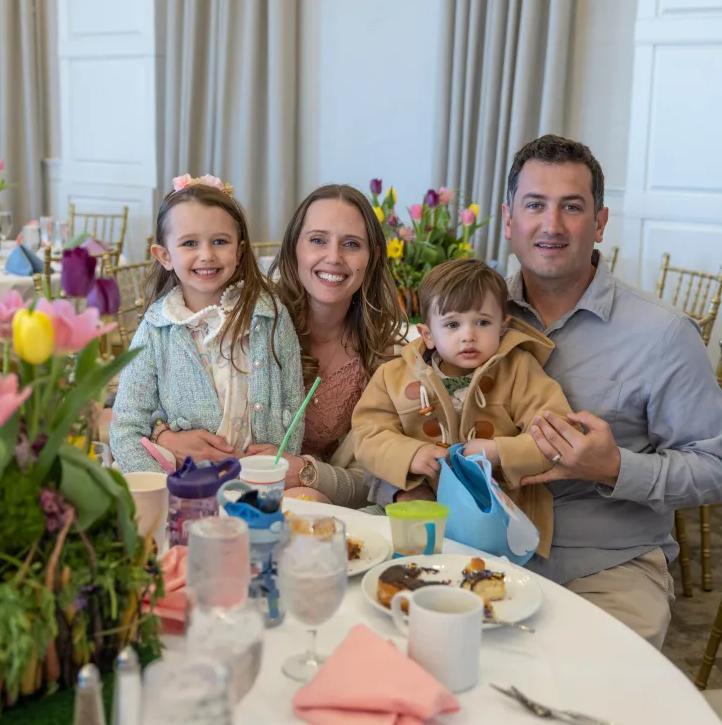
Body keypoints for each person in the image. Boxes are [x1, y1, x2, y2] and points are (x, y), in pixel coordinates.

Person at [500, 134, 722, 648]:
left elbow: (716, 465)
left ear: (599, 223)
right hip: (484, 554)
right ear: (510, 218)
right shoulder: (475, 317)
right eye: (535, 205)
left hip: (607, 568)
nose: (551, 225)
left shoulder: (664, 334)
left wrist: (617, 469)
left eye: (571, 207)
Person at [352, 257, 576, 557]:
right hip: (415, 510)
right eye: (453, 324)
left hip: (495, 520)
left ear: (503, 327)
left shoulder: (520, 370)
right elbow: (368, 433)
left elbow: (558, 433)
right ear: (428, 335)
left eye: (483, 322)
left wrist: (500, 451)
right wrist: (411, 454)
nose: (468, 335)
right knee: (368, 548)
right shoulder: (392, 376)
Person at [109, 175, 304, 473]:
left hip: (263, 486)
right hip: (188, 493)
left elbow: (294, 403)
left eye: (220, 241)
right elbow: (125, 427)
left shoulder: (271, 316)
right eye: (189, 243)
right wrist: (166, 487)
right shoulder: (155, 330)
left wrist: (281, 464)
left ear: (238, 251)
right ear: (164, 256)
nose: (206, 255)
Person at [263, 183, 407, 506]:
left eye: (352, 244)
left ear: (371, 258)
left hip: (324, 513)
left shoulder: (384, 357)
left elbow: (371, 482)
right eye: (317, 240)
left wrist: (307, 473)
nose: (333, 258)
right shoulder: (256, 322)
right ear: (293, 249)